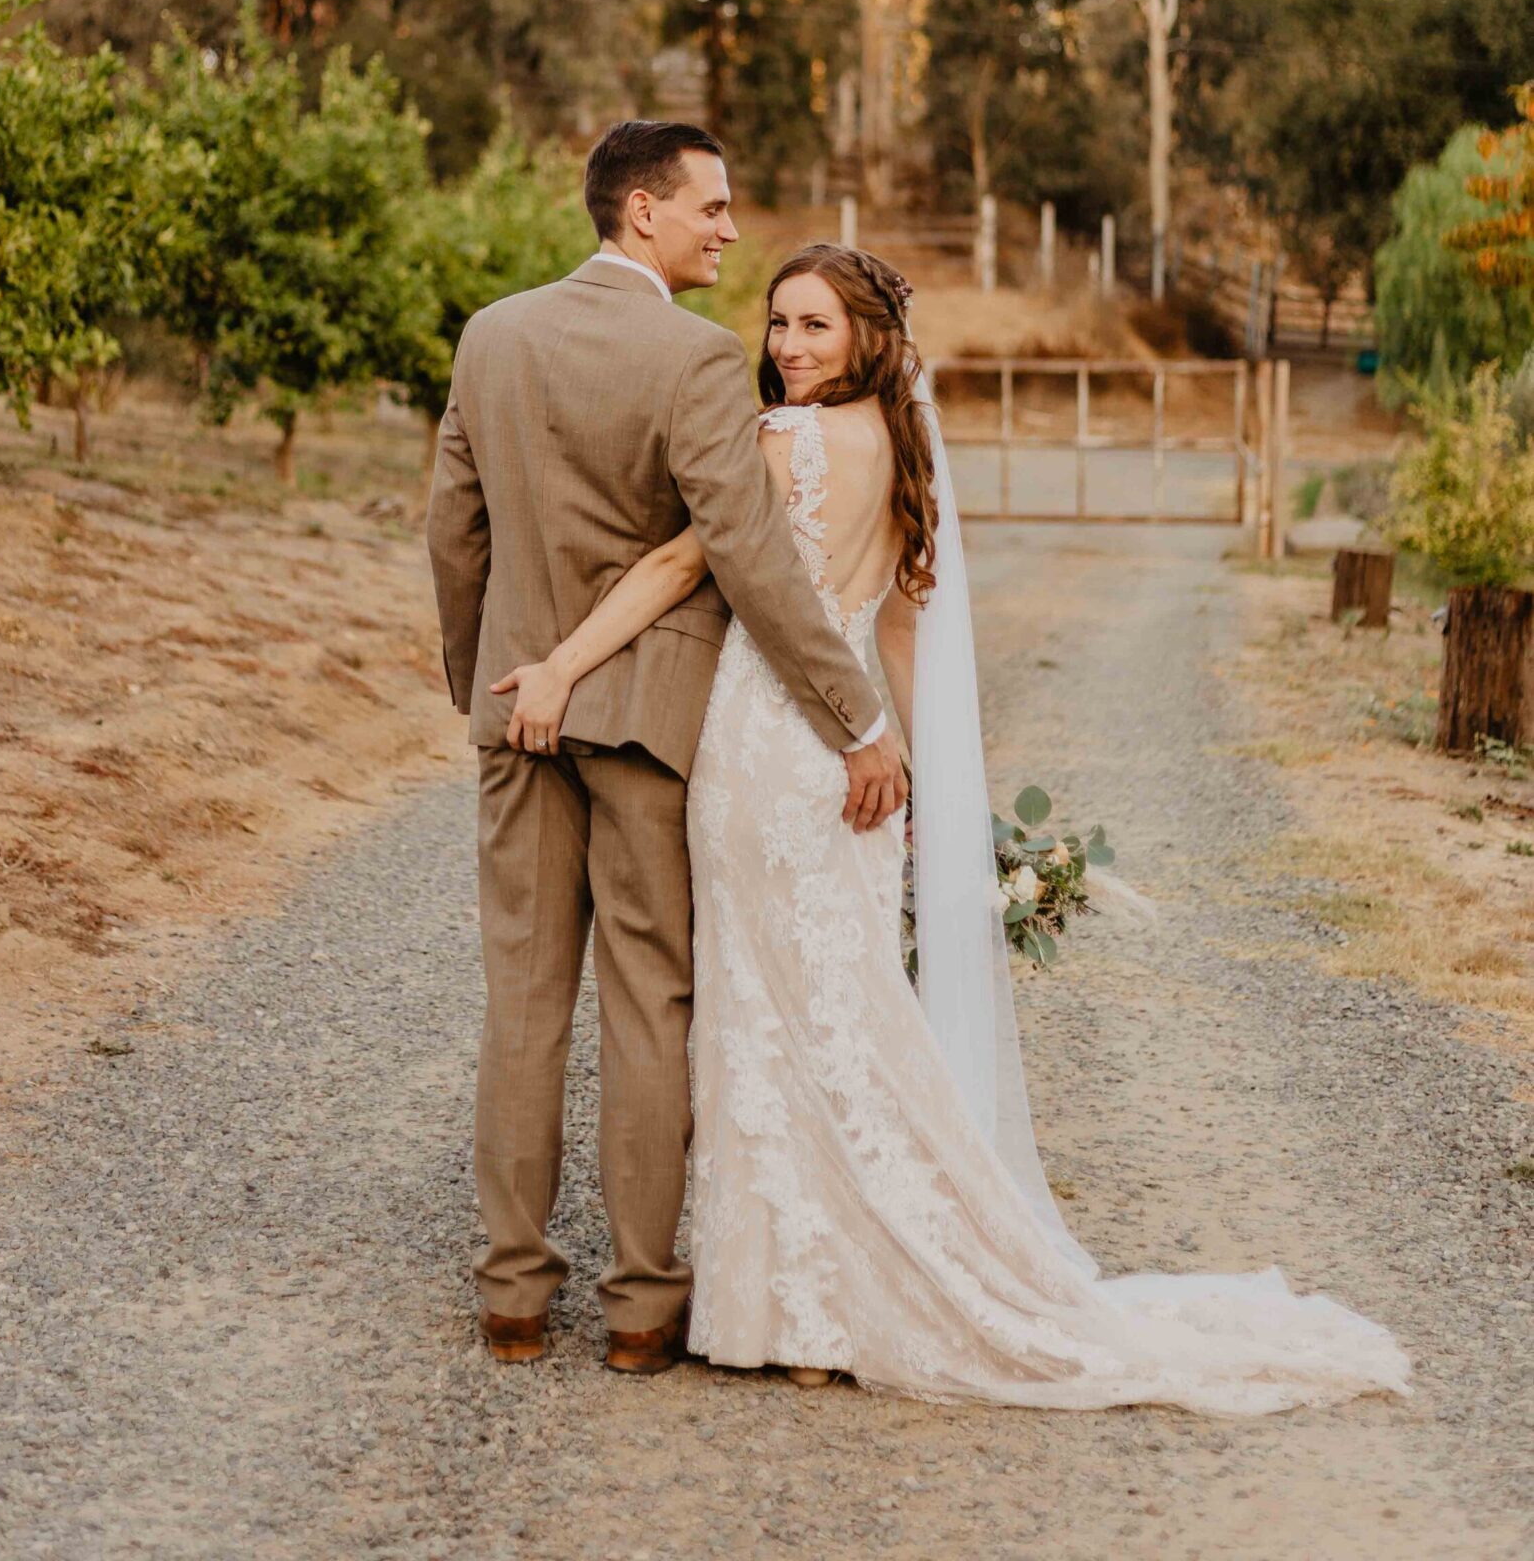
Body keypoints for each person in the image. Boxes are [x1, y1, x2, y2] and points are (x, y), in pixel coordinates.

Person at [490, 239, 1409, 1412]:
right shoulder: (907, 444)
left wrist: (561, 663)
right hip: (856, 752)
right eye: (778, 324)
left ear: (869, 337)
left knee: (766, 1012)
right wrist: (912, 773)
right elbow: (904, 634)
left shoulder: (782, 442)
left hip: (771, 749)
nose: (786, 346)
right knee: (838, 1010)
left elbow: (682, 565)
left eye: (815, 325)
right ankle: (830, 1298)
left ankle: (790, 1302)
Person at [425, 124, 904, 1378]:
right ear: (643, 210)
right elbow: (744, 554)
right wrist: (853, 710)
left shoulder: (491, 337)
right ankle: (642, 1306)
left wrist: (486, 682)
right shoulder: (695, 362)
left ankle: (513, 1298)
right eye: (712, 207)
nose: (729, 229)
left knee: (522, 1004)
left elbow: (452, 533)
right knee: (651, 1000)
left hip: (518, 709)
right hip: (647, 721)